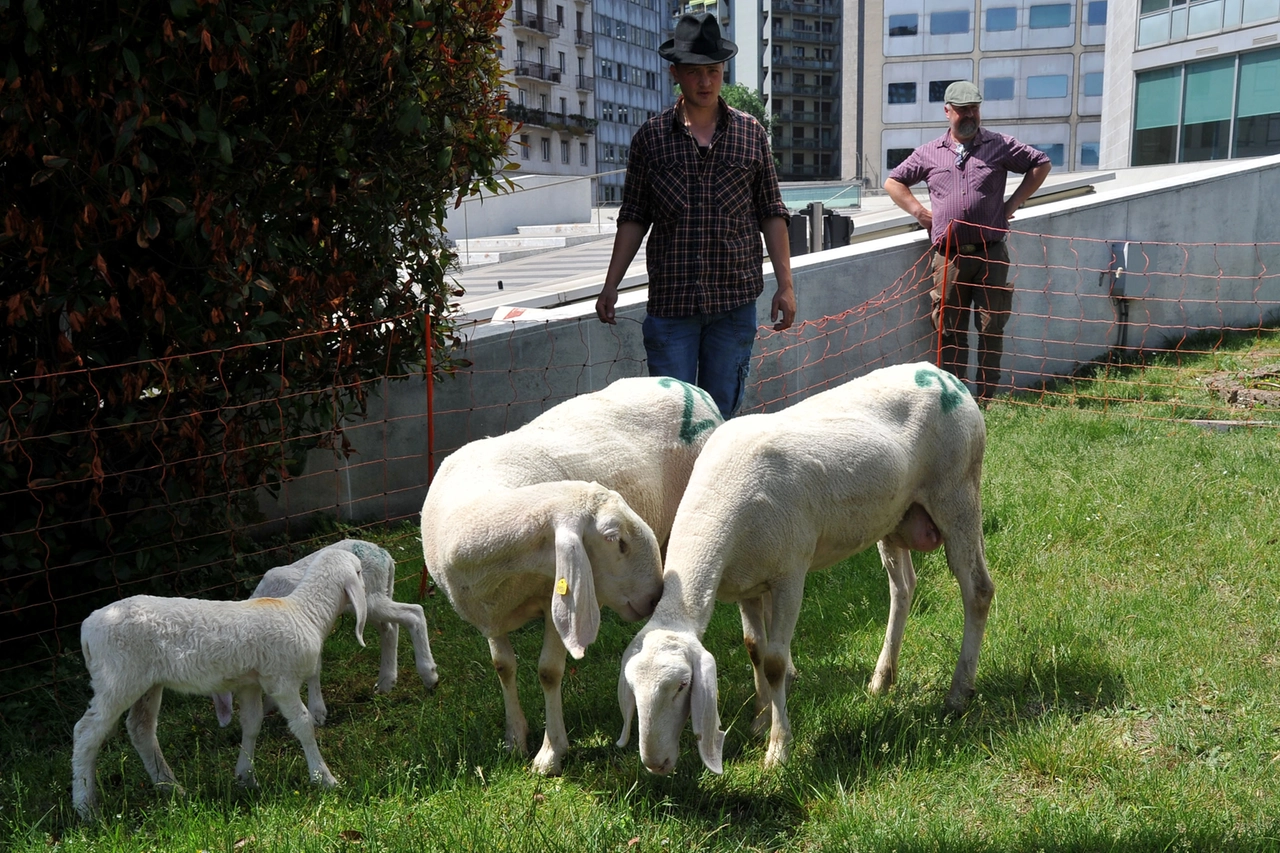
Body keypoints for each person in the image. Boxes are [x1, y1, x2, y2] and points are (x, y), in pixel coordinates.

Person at [595, 12, 795, 420]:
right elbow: (633, 216)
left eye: (713, 71)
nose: (705, 82)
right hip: (672, 306)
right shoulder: (650, 138)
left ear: (723, 72)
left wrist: (786, 285)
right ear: (676, 74)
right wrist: (610, 285)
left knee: (720, 417)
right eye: (694, 72)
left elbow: (771, 211)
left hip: (734, 301)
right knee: (674, 420)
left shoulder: (751, 132)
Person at [883, 81, 1052, 402]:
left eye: (974, 108)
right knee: (949, 331)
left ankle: (986, 400)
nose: (969, 115)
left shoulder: (999, 144)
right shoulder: (929, 152)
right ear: (947, 111)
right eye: (962, 110)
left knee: (992, 327)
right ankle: (956, 402)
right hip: (949, 258)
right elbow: (893, 181)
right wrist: (919, 212)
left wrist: (1011, 206)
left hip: (991, 253)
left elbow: (1041, 163)